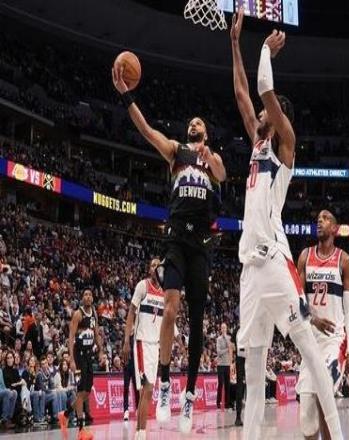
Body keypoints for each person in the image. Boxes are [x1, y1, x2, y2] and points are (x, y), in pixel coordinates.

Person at [231, 8, 343, 439]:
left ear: (276, 119)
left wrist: (263, 49)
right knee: (253, 375)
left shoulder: (286, 148)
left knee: (308, 350)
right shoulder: (257, 146)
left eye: (266, 114)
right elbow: (243, 92)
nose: (257, 116)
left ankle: (339, 434)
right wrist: (234, 45)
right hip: (249, 271)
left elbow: (262, 89)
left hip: (275, 259)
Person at [112, 49, 226, 435]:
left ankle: (189, 394)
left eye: (199, 122)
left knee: (197, 321)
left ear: (206, 133)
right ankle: (163, 381)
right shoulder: (176, 152)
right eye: (191, 121)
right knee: (171, 308)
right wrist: (126, 94)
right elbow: (146, 130)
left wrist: (211, 157)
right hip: (176, 237)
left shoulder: (211, 159)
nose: (193, 123)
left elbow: (223, 175)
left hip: (202, 243)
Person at [296, 210, 349, 440]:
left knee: (325, 395)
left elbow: (348, 312)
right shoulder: (305, 256)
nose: (319, 221)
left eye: (326, 218)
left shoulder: (344, 260)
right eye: (318, 219)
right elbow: (297, 300)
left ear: (334, 228)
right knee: (307, 419)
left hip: (334, 340)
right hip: (310, 340)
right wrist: (313, 319)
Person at [122, 258, 164, 440]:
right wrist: (126, 340)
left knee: (147, 392)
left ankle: (139, 433)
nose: (155, 268)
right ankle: (142, 434)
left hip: (155, 346)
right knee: (146, 389)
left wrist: (178, 339)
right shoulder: (142, 286)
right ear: (149, 269)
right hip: (141, 342)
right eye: (152, 265)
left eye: (158, 265)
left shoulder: (164, 292)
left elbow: (168, 321)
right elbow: (131, 312)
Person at [58, 288, 102, 440]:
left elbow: (97, 333)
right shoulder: (78, 314)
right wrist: (71, 359)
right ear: (82, 298)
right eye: (85, 294)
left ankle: (65, 414)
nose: (88, 296)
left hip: (89, 355)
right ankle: (81, 429)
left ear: (93, 298)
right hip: (79, 355)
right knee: (81, 391)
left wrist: (101, 352)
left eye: (90, 294)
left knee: (86, 392)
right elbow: (71, 337)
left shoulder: (94, 313)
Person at [22, 355, 46, 425]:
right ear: (28, 362)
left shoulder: (37, 373)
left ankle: (42, 417)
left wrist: (40, 390)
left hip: (35, 392)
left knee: (43, 393)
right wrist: (31, 376)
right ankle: (36, 418)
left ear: (35, 363)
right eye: (31, 360)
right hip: (27, 393)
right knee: (36, 393)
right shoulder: (25, 372)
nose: (32, 362)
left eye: (34, 361)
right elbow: (26, 386)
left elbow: (38, 386)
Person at [216, 323, 232, 410]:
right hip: (220, 364)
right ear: (220, 329)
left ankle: (227, 404)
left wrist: (228, 348)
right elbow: (219, 352)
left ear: (226, 329)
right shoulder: (218, 339)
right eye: (222, 328)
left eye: (224, 328)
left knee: (227, 385)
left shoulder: (229, 338)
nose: (223, 329)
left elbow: (231, 349)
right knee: (220, 384)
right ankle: (218, 403)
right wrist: (227, 349)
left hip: (227, 364)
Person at [0, 361, 17, 429]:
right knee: (7, 392)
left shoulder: (0, 370)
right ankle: (4, 419)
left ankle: (9, 418)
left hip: (1, 390)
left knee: (14, 392)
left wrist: (8, 389)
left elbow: (2, 384)